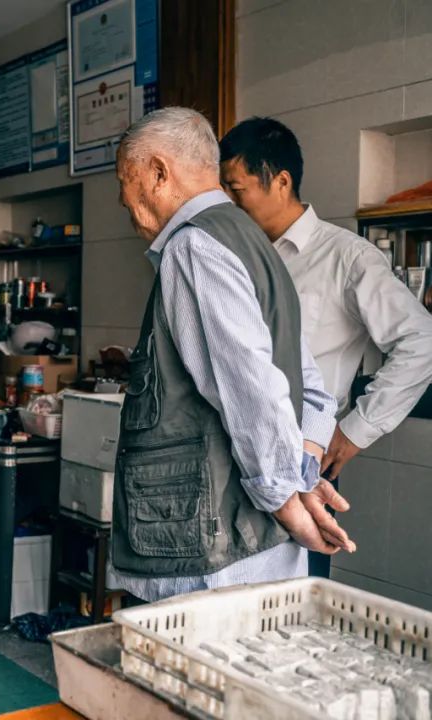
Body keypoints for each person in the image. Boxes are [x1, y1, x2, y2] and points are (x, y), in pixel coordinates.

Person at [108, 107, 354, 604]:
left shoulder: (194, 246)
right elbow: (308, 384)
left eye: (125, 181)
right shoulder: (255, 244)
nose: (123, 200)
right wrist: (301, 484)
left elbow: (251, 390)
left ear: (158, 172)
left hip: (209, 548)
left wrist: (287, 502)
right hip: (256, 542)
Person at [219, 117, 432, 578]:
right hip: (233, 453)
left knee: (294, 603)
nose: (231, 205)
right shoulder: (236, 258)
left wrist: (357, 428)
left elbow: (421, 340)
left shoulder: (348, 258)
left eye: (238, 191)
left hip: (303, 458)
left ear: (281, 181)